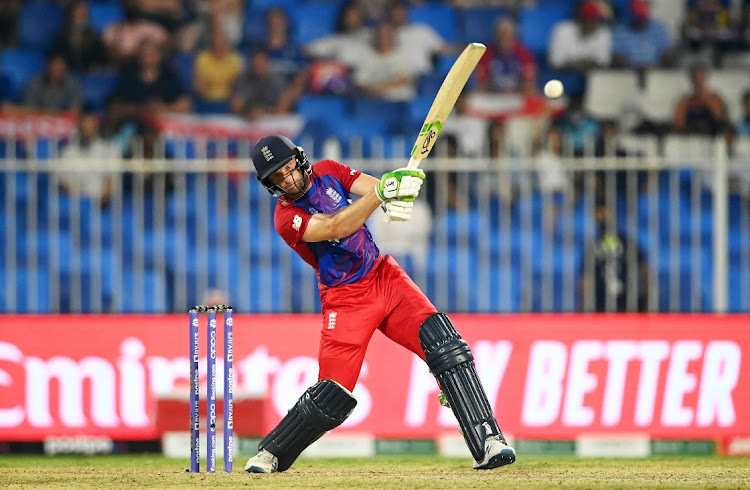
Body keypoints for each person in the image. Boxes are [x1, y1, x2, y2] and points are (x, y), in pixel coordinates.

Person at [243, 134, 516, 473]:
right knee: (332, 395)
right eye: (278, 177)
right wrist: (382, 194)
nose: (288, 180)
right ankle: (270, 453)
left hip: (383, 276)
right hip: (345, 299)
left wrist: (397, 190)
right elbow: (336, 225)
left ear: (299, 160)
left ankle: (488, 441)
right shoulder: (286, 218)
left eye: (288, 169)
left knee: (445, 346)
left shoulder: (329, 171)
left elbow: (375, 188)